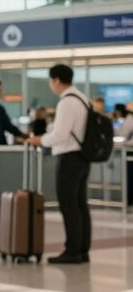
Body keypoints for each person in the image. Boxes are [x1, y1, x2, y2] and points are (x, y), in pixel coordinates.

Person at [27, 64, 90, 264]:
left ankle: (72, 251)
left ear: (56, 80)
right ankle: (82, 250)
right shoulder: (82, 98)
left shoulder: (66, 102)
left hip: (69, 159)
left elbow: (60, 135)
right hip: (82, 158)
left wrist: (40, 140)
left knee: (69, 206)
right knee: (80, 205)